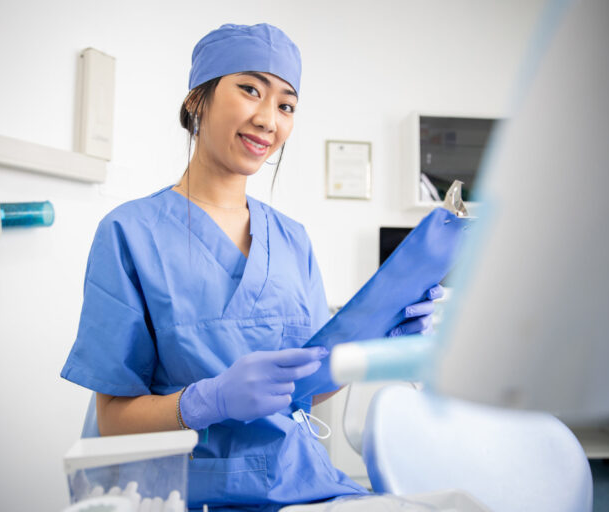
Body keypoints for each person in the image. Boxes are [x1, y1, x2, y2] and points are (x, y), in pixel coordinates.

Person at [61, 23, 441, 512]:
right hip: (187, 489)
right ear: (197, 99)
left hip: (301, 482)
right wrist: (207, 400)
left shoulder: (291, 239)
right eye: (249, 90)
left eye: (286, 105)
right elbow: (112, 419)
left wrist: (376, 344)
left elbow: (310, 388)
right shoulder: (130, 233)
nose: (268, 119)